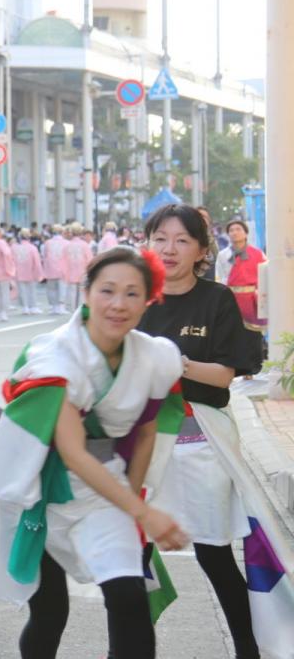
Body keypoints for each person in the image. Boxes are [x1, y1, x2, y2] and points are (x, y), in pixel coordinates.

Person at [0, 248, 188, 659]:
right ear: (86, 292)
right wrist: (143, 513)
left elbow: (145, 435)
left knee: (129, 601)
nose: (118, 304)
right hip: (42, 490)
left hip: (108, 488)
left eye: (131, 293)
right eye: (107, 290)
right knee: (50, 613)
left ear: (148, 300)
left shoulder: (155, 357)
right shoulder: (55, 356)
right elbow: (72, 453)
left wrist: (133, 501)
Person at [138, 204, 270, 659]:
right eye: (160, 238)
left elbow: (225, 375)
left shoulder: (217, 300)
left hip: (201, 446)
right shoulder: (134, 295)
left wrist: (179, 362)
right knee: (132, 556)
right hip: (143, 449)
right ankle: (133, 647)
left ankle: (247, 650)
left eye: (180, 240)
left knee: (214, 555)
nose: (168, 249)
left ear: (200, 250)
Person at [215, 219, 267, 335]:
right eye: (231, 230)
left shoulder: (258, 254)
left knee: (253, 335)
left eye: (238, 229)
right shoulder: (222, 255)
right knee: (231, 335)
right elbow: (219, 278)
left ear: (245, 233)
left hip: (252, 301)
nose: (234, 232)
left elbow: (265, 277)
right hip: (230, 300)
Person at [12, 228, 45, 315]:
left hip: (18, 272)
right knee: (31, 290)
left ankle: (25, 307)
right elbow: (37, 262)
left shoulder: (14, 248)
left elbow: (11, 260)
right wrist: (39, 273)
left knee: (22, 290)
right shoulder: (32, 248)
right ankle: (33, 307)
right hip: (31, 271)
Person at [60, 225, 91, 312]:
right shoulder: (85, 245)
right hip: (84, 273)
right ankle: (85, 315)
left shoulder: (67, 246)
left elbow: (63, 261)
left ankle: (74, 313)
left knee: (72, 294)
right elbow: (90, 259)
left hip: (71, 272)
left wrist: (64, 273)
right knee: (83, 295)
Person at [41, 225, 67, 315]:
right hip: (63, 268)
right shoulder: (66, 243)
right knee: (62, 287)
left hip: (50, 268)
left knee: (51, 288)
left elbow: (44, 255)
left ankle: (53, 306)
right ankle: (61, 306)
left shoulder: (47, 243)